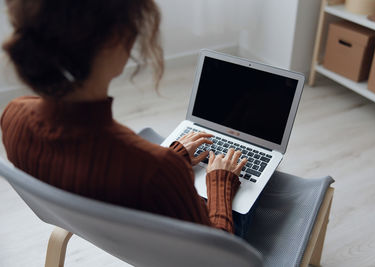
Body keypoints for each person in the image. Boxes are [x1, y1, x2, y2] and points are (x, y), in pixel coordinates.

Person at [1, 0, 247, 235]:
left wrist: (173, 158)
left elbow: (106, 177)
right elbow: (214, 257)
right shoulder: (155, 170)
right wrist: (221, 180)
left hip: (101, 234)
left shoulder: (12, 117)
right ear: (114, 39)